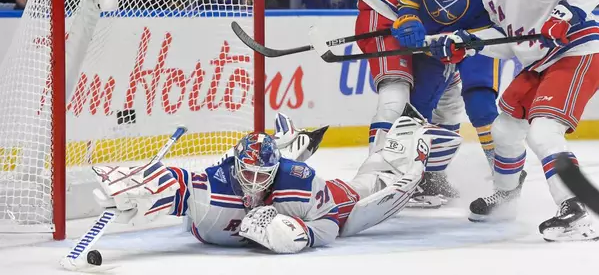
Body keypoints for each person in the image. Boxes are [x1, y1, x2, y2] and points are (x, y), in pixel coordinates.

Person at [428, 0, 599, 242]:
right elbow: (513, 42)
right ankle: (506, 195)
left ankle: (575, 208)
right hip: (539, 64)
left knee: (543, 131)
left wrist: (566, 14)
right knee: (505, 129)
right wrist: (471, 45)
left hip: (575, 53)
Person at [89, 108, 462, 253]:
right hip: (225, 219)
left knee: (364, 190)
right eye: (246, 173)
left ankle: (407, 142)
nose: (252, 183)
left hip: (310, 198)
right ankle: (289, 141)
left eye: (261, 175)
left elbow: (332, 221)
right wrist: (137, 190)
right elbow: (178, 182)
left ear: (276, 170)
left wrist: (305, 234)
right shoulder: (214, 186)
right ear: (235, 167)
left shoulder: (297, 183)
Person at [352, 0, 476, 208]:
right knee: (395, 93)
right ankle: (377, 177)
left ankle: (430, 175)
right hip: (382, 15)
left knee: (450, 96)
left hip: (414, 21)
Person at [397, 0, 504, 206]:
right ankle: (424, 177)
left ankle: (504, 177)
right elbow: (407, 8)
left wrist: (478, 36)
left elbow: (505, 9)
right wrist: (409, 25)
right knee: (417, 108)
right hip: (436, 45)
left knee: (480, 101)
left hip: (476, 40)